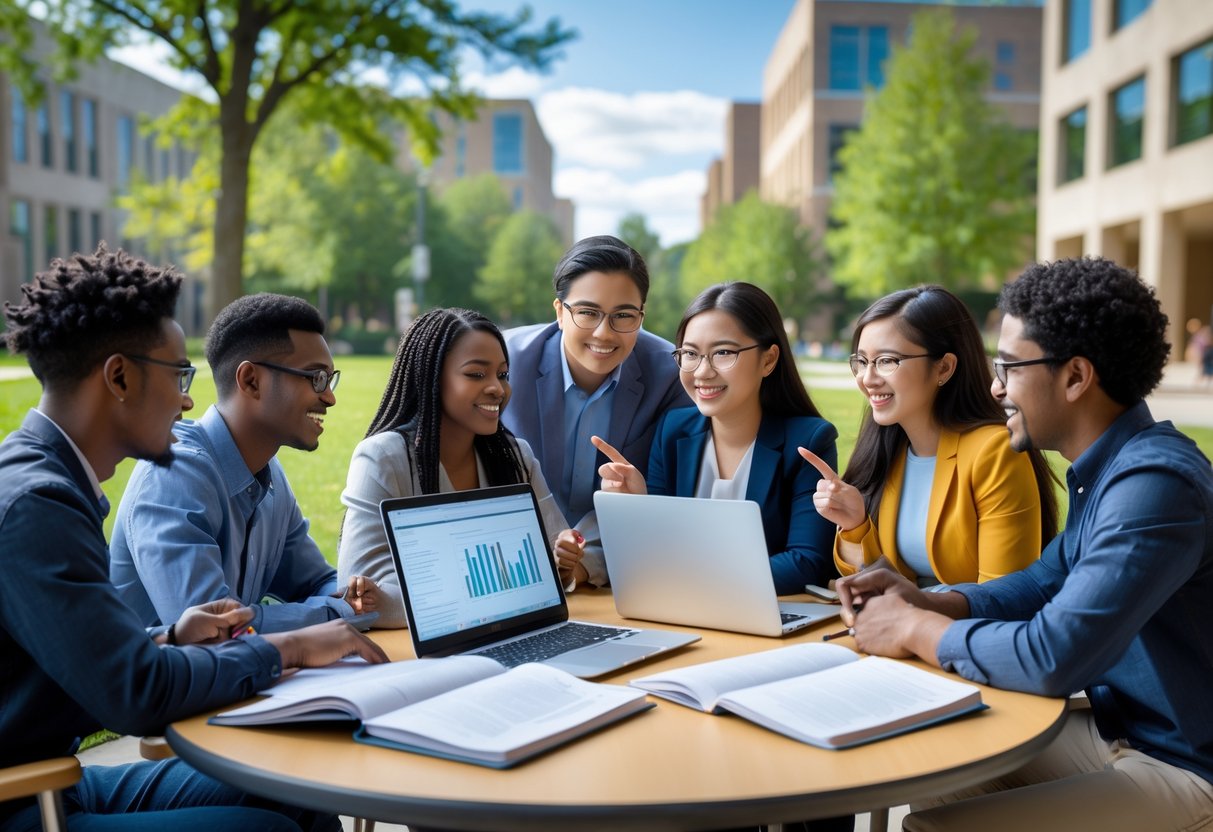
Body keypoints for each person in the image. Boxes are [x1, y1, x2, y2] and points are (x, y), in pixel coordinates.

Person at [0, 246, 387, 832]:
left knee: (299, 789)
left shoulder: (47, 481)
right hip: (24, 803)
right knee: (267, 829)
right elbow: (136, 696)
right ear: (120, 377)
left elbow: (89, 659)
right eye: (178, 375)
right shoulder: (37, 505)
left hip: (59, 783)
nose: (187, 400)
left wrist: (170, 636)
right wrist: (290, 646)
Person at [832, 259, 1213, 832]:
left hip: (1186, 765)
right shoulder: (1107, 470)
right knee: (941, 770)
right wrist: (931, 602)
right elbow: (1038, 583)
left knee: (933, 829)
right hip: (1121, 729)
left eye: (1009, 366)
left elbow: (1054, 656)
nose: (995, 386)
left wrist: (914, 630)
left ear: (1076, 377)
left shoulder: (1155, 486)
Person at [109, 293, 382, 633]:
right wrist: (336, 610)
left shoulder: (270, 477)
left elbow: (318, 582)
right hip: (166, 685)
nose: (329, 397)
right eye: (316, 378)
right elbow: (215, 631)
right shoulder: (175, 473)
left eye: (330, 379)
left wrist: (348, 596)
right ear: (251, 380)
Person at [338, 308, 583, 629]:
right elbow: (361, 599)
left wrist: (562, 565)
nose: (498, 388)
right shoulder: (382, 459)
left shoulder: (515, 456)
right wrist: (506, 589)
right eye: (476, 374)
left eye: (503, 374)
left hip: (512, 632)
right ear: (432, 380)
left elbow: (551, 559)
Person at [800, 286, 1058, 587]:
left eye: (886, 360)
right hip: (891, 628)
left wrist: (904, 609)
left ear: (944, 368)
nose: (867, 378)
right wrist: (855, 525)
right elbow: (876, 584)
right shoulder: (887, 451)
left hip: (966, 632)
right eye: (861, 361)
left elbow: (1003, 597)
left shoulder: (995, 452)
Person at [594, 282, 839, 593]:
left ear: (768, 360)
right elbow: (656, 554)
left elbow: (807, 562)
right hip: (686, 615)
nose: (702, 372)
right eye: (691, 354)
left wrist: (696, 577)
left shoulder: (808, 440)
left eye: (723, 353)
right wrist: (641, 507)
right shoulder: (673, 431)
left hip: (765, 617)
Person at [502, 235, 691, 587]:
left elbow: (666, 500)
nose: (604, 333)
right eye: (588, 313)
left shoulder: (671, 376)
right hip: (513, 565)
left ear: (642, 316)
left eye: (623, 315)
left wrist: (584, 563)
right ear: (559, 312)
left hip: (617, 567)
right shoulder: (506, 363)